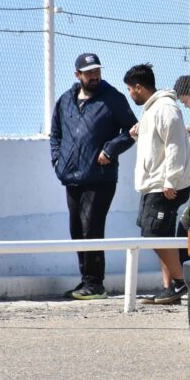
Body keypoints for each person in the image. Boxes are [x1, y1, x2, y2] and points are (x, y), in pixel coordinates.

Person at [50, 53, 136, 300]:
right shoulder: (65, 100)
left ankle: (95, 283)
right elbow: (55, 133)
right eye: (89, 72)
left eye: (97, 71)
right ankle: (85, 280)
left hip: (100, 177)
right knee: (76, 230)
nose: (95, 76)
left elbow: (132, 131)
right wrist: (57, 160)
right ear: (78, 74)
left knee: (92, 227)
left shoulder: (113, 99)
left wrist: (110, 149)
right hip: (71, 175)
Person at [124, 64, 190, 305]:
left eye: (130, 89)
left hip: (165, 185)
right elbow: (156, 142)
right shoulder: (151, 109)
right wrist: (137, 133)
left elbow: (175, 145)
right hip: (153, 184)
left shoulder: (166, 108)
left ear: (139, 88)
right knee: (159, 234)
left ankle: (182, 281)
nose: (130, 94)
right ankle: (170, 288)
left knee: (153, 233)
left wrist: (170, 180)